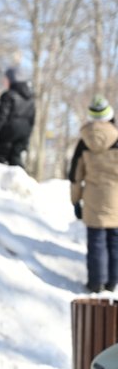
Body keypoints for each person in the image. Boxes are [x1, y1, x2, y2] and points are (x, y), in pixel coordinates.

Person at [69, 95, 118, 293]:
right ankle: (113, 282)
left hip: (92, 200)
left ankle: (95, 283)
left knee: (96, 242)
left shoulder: (84, 143)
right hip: (116, 200)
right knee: (115, 242)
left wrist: (75, 202)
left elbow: (75, 176)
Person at [0, 67, 35, 167]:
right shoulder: (30, 99)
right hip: (23, 136)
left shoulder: (8, 95)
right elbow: (32, 120)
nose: (3, 81)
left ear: (12, 79)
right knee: (16, 163)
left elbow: (1, 116)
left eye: (5, 78)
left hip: (7, 135)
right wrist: (26, 138)